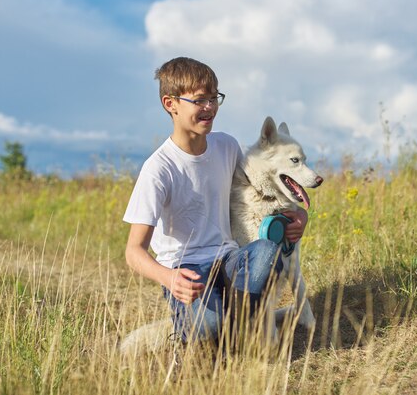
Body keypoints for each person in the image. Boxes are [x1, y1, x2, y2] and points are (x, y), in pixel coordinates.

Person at [123, 57, 308, 343]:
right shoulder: (159, 169)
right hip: (187, 272)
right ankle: (222, 323)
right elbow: (134, 252)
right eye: (199, 100)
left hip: (230, 260)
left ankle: (240, 319)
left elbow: (261, 191)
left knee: (266, 251)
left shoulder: (227, 146)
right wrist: (169, 279)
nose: (210, 107)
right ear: (170, 103)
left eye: (214, 98)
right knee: (209, 331)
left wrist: (299, 215)